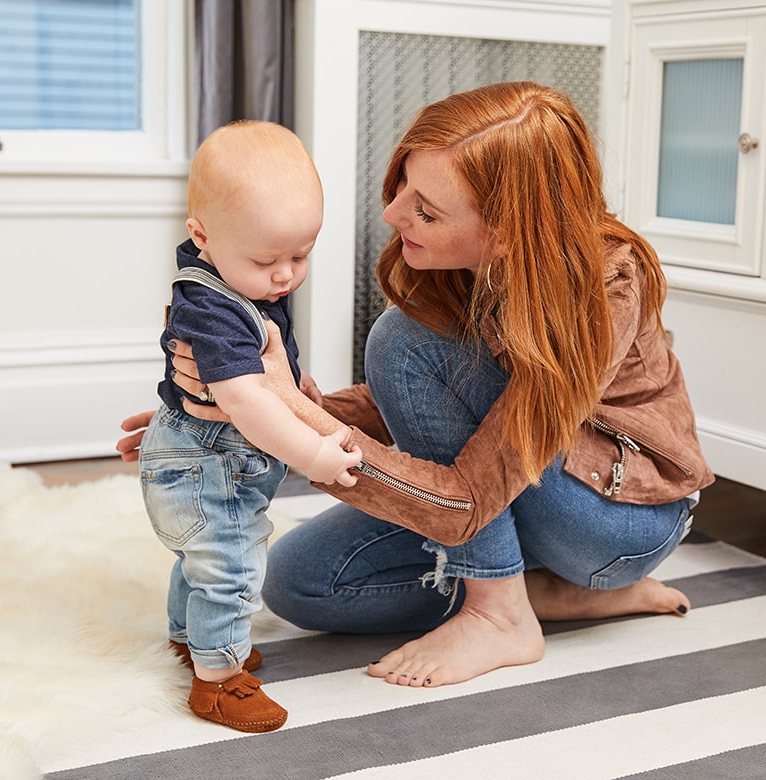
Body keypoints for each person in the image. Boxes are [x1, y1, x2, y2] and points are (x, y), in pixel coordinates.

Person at [119, 82, 713, 690]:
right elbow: (428, 400)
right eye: (403, 184)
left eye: (426, 211)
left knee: (400, 341)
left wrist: (291, 408)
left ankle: (499, 614)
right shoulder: (463, 263)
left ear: (509, 231)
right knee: (299, 582)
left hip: (615, 520)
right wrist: (228, 415)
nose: (393, 213)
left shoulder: (606, 285)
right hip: (518, 491)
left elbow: (469, 494)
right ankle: (545, 592)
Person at [139, 119, 361, 733]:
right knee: (231, 565)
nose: (287, 274)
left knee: (201, 561)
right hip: (206, 465)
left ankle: (190, 640)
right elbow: (245, 401)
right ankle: (218, 681)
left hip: (209, 460)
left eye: (301, 254)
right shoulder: (209, 304)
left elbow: (269, 359)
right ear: (202, 236)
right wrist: (315, 455)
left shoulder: (241, 271)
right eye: (268, 259)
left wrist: (298, 383)